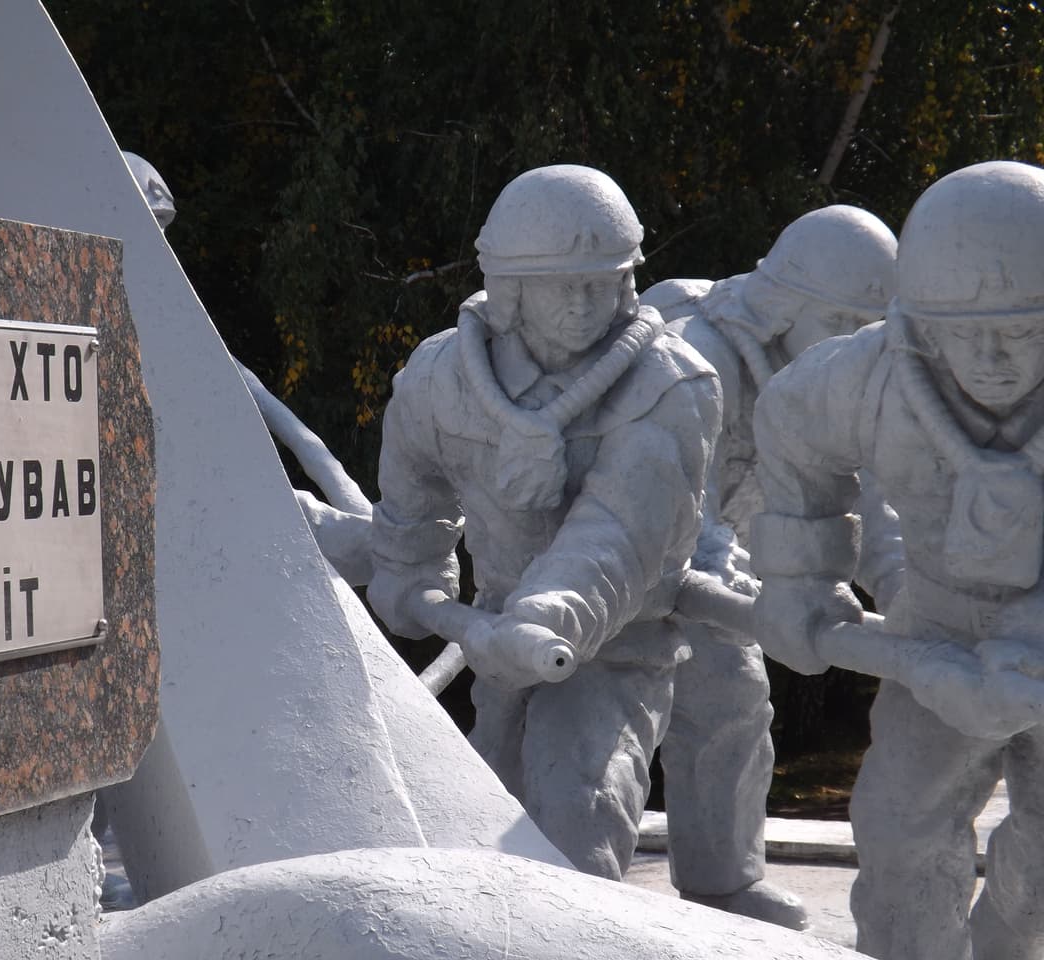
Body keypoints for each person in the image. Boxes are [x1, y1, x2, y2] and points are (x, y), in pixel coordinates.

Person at [368, 164, 723, 878]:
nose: (585, 304)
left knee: (578, 815)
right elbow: (414, 495)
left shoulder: (669, 386)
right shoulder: (443, 379)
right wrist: (412, 574)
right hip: (498, 637)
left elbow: (616, 536)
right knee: (476, 827)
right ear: (510, 289)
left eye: (603, 281)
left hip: (618, 647)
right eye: (563, 285)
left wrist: (545, 619)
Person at [750, 160, 1044, 959]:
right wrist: (802, 581)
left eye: (1019, 332)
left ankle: (1013, 937)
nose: (990, 359)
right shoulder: (874, 377)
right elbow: (787, 425)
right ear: (919, 322)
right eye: (963, 333)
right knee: (899, 830)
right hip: (936, 628)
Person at [639, 206, 901, 928]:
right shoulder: (699, 357)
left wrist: (913, 598)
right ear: (784, 306)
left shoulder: (837, 379)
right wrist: (752, 593)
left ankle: (723, 882)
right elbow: (668, 502)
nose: (853, 344)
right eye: (839, 321)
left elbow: (878, 504)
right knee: (613, 729)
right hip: (619, 566)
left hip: (712, 568)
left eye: (866, 328)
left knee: (734, 704)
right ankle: (564, 881)